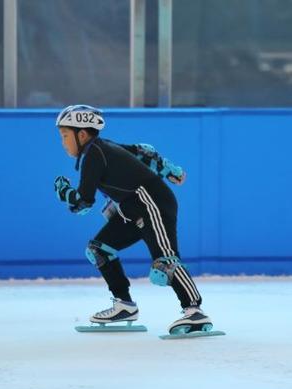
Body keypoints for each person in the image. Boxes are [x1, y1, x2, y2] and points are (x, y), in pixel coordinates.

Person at [53, 104, 212, 335]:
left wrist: (64, 192)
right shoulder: (101, 149)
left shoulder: (95, 154)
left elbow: (83, 203)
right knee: (99, 249)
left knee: (165, 263)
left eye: (65, 136)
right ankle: (124, 305)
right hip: (132, 209)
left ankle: (195, 312)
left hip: (153, 203)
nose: (63, 142)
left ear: (82, 134)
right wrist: (168, 169)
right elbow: (141, 151)